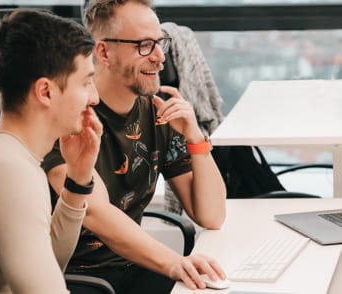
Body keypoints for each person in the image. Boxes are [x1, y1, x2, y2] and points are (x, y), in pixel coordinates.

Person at [43, 0, 227, 293]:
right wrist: (173, 262)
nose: (159, 58)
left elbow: (211, 215)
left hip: (132, 267)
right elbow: (96, 212)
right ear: (103, 52)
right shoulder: (67, 118)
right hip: (72, 279)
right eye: (144, 45)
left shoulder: (156, 113)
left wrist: (196, 139)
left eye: (160, 43)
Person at [0, 8, 102, 293]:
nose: (94, 97)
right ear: (45, 92)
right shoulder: (10, 171)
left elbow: (42, 265)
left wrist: (78, 181)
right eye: (86, 82)